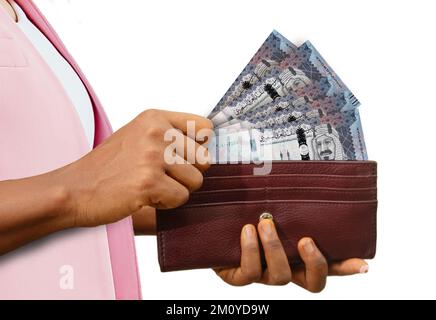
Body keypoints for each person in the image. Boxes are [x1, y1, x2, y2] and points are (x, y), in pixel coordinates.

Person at [0, 0, 368, 294]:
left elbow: (90, 199)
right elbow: (84, 192)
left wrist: (235, 214)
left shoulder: (26, 13)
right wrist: (79, 189)